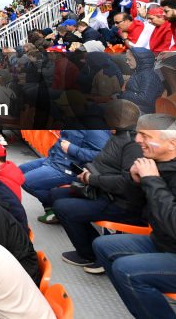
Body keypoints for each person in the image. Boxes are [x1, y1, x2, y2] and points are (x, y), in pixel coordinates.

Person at [93, 114, 176, 318]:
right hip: (171, 245)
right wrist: (134, 180)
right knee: (104, 245)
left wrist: (152, 181)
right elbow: (133, 208)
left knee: (128, 271)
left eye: (145, 136)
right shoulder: (163, 166)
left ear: (171, 144)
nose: (137, 140)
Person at [53, 100, 147, 272]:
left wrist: (92, 179)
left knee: (62, 207)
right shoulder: (118, 135)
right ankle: (94, 247)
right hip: (104, 190)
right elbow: (104, 163)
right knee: (56, 195)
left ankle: (92, 254)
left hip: (121, 203)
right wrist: (88, 172)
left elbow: (127, 184)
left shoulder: (132, 144)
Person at [20, 128, 109, 223]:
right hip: (53, 160)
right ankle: (51, 208)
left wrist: (72, 149)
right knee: (18, 172)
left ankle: (58, 209)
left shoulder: (95, 129)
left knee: (26, 181)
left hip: (67, 169)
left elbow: (102, 155)